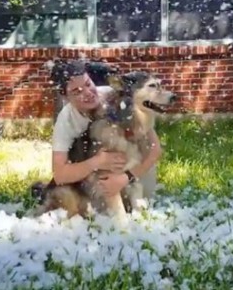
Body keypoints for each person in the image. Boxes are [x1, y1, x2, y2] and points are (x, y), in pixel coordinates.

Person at [47, 59, 163, 201]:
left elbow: (154, 150)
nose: (88, 93)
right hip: (92, 178)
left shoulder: (118, 98)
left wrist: (127, 178)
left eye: (88, 84)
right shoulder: (66, 121)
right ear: (66, 97)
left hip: (131, 169)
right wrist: (96, 162)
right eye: (77, 92)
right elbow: (60, 175)